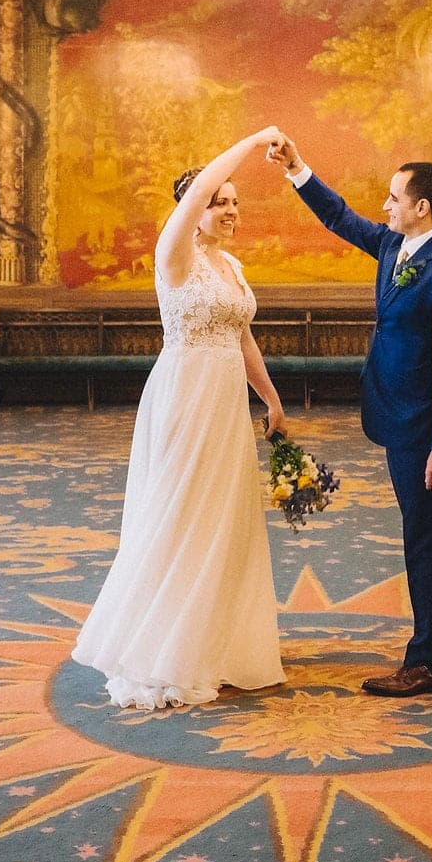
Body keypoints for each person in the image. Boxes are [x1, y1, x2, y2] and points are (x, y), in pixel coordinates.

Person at [268, 135, 432, 696]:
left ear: (422, 208)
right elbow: (341, 218)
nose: (385, 207)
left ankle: (429, 663)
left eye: (394, 198)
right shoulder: (397, 248)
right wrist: (298, 168)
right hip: (399, 417)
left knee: (423, 537)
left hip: (428, 430)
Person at [71, 127, 289, 710]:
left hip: (226, 405)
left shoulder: (231, 266)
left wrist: (270, 399)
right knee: (178, 512)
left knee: (222, 518)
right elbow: (197, 196)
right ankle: (160, 648)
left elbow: (243, 338)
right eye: (221, 201)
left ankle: (216, 644)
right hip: (184, 395)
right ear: (193, 210)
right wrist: (253, 142)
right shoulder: (176, 253)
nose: (231, 211)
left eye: (236, 203)